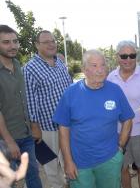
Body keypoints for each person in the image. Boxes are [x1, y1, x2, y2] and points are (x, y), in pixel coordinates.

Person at [52, 49, 134, 188]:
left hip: (110, 160)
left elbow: (128, 118)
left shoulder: (115, 90)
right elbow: (63, 130)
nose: (100, 70)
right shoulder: (71, 93)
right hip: (79, 163)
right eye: (94, 65)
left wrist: (120, 146)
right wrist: (68, 161)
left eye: (103, 65)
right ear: (84, 69)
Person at [107, 40, 140, 188]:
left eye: (132, 55)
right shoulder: (110, 78)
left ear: (136, 56)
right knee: (122, 168)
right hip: (118, 133)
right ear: (117, 57)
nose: (128, 59)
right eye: (124, 56)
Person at [23, 30, 72, 188]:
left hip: (68, 123)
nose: (51, 44)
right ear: (37, 45)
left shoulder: (59, 63)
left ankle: (69, 183)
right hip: (47, 126)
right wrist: (34, 127)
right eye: (46, 42)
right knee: (50, 164)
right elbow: (30, 101)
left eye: (53, 41)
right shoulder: (30, 69)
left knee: (69, 157)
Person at [0, 25, 43, 188]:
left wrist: (32, 125)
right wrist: (10, 141)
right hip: (4, 140)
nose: (13, 46)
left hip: (26, 135)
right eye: (6, 42)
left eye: (15, 41)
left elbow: (24, 100)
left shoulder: (18, 65)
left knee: (33, 175)